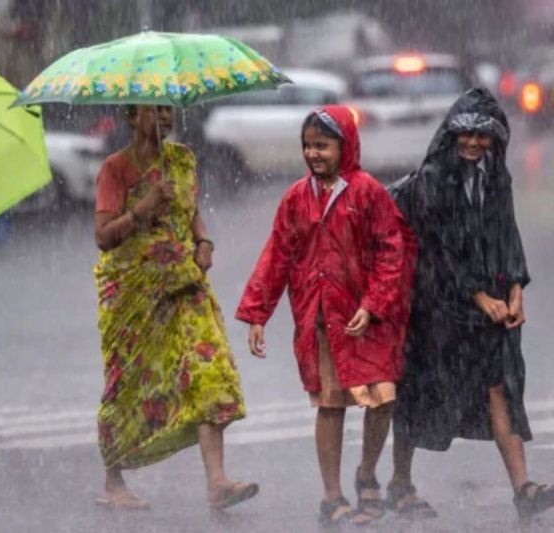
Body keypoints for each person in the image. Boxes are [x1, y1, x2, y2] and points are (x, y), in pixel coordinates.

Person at [236, 105, 416, 527]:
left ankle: (367, 472)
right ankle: (332, 496)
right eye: (308, 145)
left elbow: (392, 252)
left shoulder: (368, 192)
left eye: (323, 145)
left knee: (382, 399)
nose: (314, 153)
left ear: (345, 145)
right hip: (323, 321)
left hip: (369, 321)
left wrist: (373, 305)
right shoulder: (297, 198)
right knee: (331, 405)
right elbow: (276, 256)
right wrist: (258, 313)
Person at [388, 87, 554, 520]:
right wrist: (478, 296)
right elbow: (437, 249)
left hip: (489, 303)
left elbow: (506, 233)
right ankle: (399, 482)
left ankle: (523, 488)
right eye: (466, 134)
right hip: (437, 308)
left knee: (500, 388)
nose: (473, 143)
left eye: (483, 137)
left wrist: (515, 287)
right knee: (419, 390)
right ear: (451, 133)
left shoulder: (496, 176)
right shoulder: (432, 180)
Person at [93, 104, 257, 510]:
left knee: (208, 368)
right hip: (135, 293)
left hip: (184, 283)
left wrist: (204, 242)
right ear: (133, 116)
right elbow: (103, 236)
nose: (165, 118)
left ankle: (217, 481)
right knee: (129, 383)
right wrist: (144, 206)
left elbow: (192, 213)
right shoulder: (116, 169)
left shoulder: (182, 159)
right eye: (156, 110)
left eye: (169, 110)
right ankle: (113, 482)